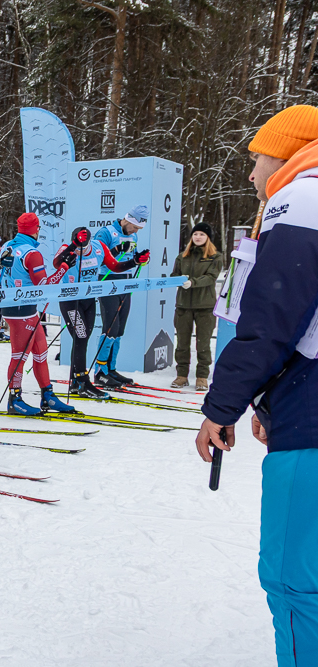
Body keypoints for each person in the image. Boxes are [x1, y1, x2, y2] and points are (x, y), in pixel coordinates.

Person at [195, 104, 318, 666]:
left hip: (312, 423)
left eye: (259, 158)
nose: (252, 174)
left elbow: (271, 319)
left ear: (290, 152)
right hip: (300, 400)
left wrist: (223, 405)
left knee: (297, 585)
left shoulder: (304, 196)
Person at [0, 212, 77, 415]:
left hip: (24, 307)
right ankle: (14, 399)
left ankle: (47, 396)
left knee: (41, 352)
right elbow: (44, 286)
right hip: (19, 310)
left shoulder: (7, 246)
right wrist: (64, 268)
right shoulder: (32, 254)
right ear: (36, 230)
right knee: (20, 355)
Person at [58, 226, 149, 398]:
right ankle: (82, 381)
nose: (80, 250)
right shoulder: (67, 249)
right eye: (77, 246)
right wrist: (72, 247)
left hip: (88, 301)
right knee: (81, 337)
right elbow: (57, 263)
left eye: (83, 247)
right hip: (70, 300)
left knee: (82, 340)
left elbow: (114, 266)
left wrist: (134, 261)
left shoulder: (98, 247)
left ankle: (75, 381)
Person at [92, 205, 149, 388]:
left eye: (138, 229)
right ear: (127, 220)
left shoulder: (134, 235)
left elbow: (129, 257)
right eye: (133, 227)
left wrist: (139, 259)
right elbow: (96, 258)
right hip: (108, 281)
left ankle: (111, 369)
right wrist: (116, 250)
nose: (134, 231)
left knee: (120, 329)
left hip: (125, 282)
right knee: (110, 327)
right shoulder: (106, 233)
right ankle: (100, 372)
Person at [170, 222, 222, 390]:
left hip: (205, 306)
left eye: (202, 234)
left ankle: (202, 376)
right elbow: (174, 274)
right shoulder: (182, 256)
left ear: (208, 238)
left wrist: (192, 282)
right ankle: (181, 375)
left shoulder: (215, 257)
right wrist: (176, 280)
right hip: (183, 305)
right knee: (182, 343)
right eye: (195, 234)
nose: (198, 237)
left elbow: (211, 277)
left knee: (204, 343)